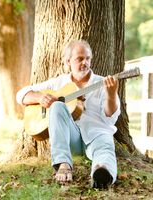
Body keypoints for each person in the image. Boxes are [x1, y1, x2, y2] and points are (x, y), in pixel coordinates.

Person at [16, 39, 121, 189]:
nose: (85, 62)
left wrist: (111, 95)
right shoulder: (58, 83)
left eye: (88, 58)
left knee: (105, 148)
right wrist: (40, 98)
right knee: (57, 106)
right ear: (68, 61)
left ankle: (101, 172)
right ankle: (63, 164)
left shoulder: (103, 82)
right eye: (80, 59)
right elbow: (21, 95)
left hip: (97, 135)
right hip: (70, 139)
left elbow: (111, 117)